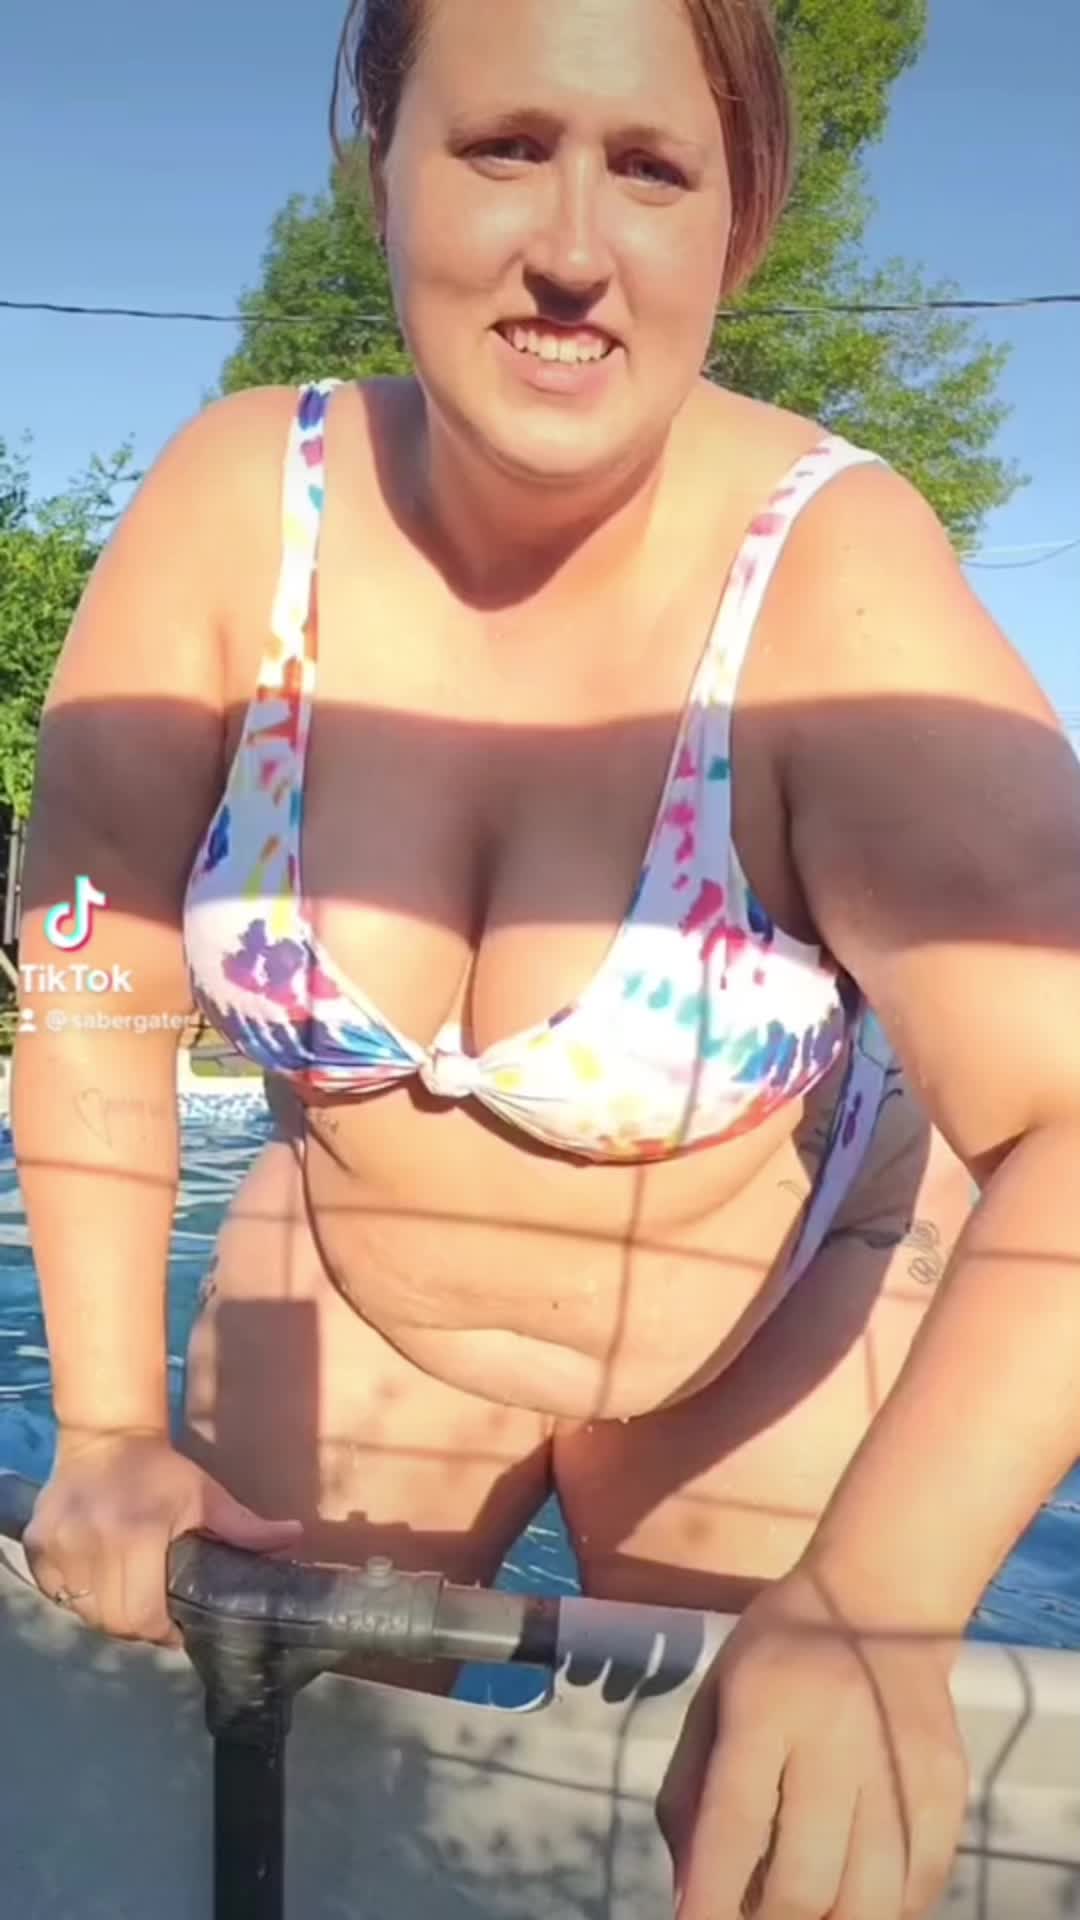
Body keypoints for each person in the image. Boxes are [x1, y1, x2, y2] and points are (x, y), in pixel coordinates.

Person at [13, 0, 1080, 1913]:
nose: (573, 248)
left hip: (769, 1326)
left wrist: (882, 1598)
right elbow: (94, 964)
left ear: (737, 226)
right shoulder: (237, 512)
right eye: (506, 144)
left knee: (740, 1821)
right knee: (281, 1815)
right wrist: (101, 1428)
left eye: (650, 168)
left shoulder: (834, 589)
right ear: (383, 170)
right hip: (361, 1293)